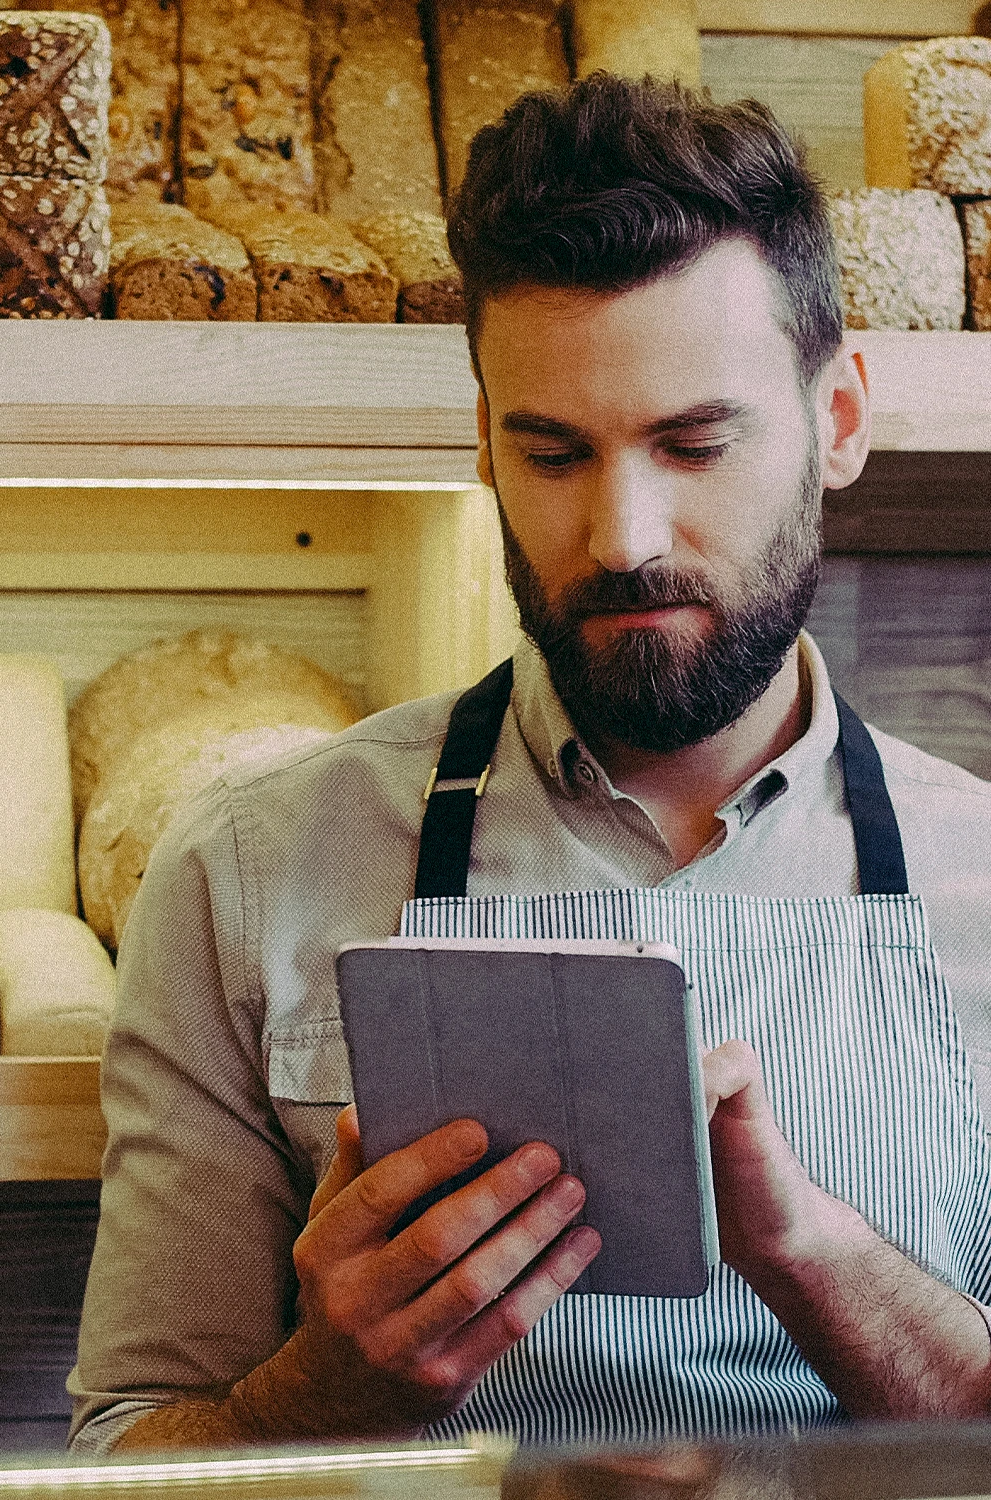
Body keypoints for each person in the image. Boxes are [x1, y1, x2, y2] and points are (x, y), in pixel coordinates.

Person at [68, 74, 991, 1453]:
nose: (623, 534)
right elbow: (127, 1454)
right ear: (484, 446)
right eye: (552, 452)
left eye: (696, 443)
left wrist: (815, 1259)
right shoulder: (246, 873)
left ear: (840, 420)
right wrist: (337, 1381)